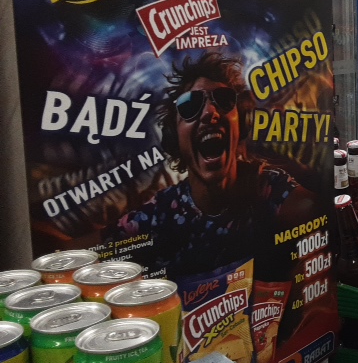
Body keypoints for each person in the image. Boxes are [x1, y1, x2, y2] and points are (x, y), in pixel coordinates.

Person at [109, 52, 317, 281]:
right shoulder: (160, 213)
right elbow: (91, 249)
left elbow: (316, 211)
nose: (210, 112)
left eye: (224, 100)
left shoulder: (268, 187)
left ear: (241, 123)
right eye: (189, 105)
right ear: (174, 137)